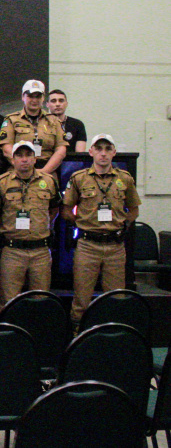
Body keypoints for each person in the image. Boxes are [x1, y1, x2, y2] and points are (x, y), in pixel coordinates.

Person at [62, 134, 140, 325]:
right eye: (98, 149)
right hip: (88, 246)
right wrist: (82, 223)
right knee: (81, 297)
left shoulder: (125, 179)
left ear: (114, 152)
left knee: (115, 298)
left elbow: (134, 209)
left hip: (115, 247)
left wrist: (122, 225)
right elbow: (65, 210)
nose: (103, 153)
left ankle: (112, 334)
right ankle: (77, 333)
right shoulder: (78, 178)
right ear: (91, 152)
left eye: (107, 149)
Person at [0, 141, 61, 313]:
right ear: (13, 159)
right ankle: (6, 336)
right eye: (19, 155)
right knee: (8, 301)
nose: (24, 160)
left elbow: (54, 209)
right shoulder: (1, 183)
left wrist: (41, 226)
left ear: (35, 158)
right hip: (12, 250)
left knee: (41, 300)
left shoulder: (49, 181)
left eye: (28, 155)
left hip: (40, 252)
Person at [0, 79, 67, 174]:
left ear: (43, 98)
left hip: (47, 172)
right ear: (23, 97)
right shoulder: (11, 120)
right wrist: (24, 168)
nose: (34, 100)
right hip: (18, 172)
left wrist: (44, 171)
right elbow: (7, 148)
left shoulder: (54, 121)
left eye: (38, 96)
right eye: (30, 96)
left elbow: (61, 150)